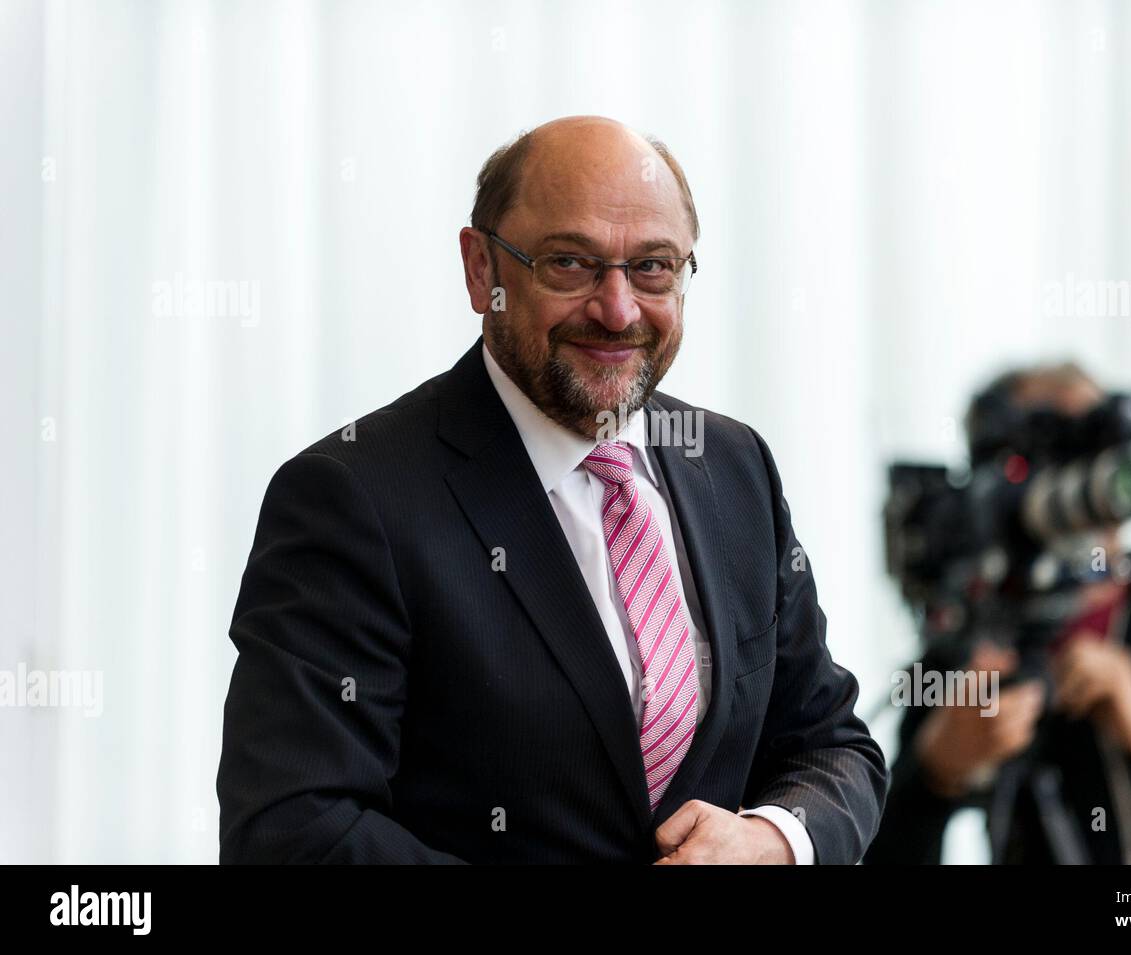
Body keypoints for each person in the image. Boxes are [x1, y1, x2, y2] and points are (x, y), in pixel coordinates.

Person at [217, 116, 887, 864]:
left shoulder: (733, 465)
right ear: (481, 271)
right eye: (570, 263)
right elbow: (294, 830)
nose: (619, 308)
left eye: (654, 267)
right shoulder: (351, 498)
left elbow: (831, 745)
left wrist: (774, 839)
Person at [866, 362, 1131, 864]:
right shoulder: (969, 653)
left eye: (1102, 459)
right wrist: (936, 772)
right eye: (1055, 465)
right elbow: (886, 852)